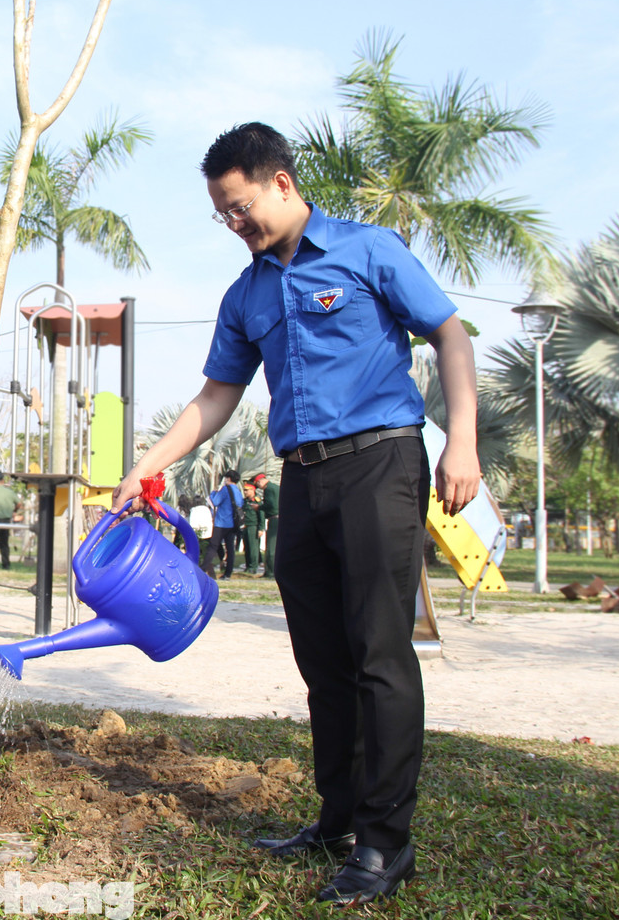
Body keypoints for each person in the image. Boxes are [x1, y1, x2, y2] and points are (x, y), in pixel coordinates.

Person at [111, 122, 479, 907]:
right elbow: (217, 396)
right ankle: (340, 821)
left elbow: (449, 331)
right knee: (323, 660)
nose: (234, 224)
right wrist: (148, 462)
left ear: (281, 182)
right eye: (222, 214)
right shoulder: (245, 295)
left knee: (380, 652)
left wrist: (463, 443)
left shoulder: (366, 250)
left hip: (383, 461)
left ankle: (387, 843)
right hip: (303, 482)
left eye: (240, 206)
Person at [207, 471, 242, 579]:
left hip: (222, 522)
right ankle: (228, 573)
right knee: (230, 548)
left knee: (213, 546)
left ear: (228, 478)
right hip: (233, 523)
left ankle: (204, 568)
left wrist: (213, 493)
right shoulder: (238, 491)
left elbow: (215, 502)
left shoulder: (225, 489)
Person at [253, 471, 280, 579]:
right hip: (281, 519)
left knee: (271, 548)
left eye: (257, 484)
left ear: (260, 481)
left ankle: (270, 572)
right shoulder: (276, 487)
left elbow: (271, 504)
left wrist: (259, 507)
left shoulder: (268, 489)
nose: (258, 487)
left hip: (274, 519)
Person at [241, 480, 263, 574]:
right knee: (247, 548)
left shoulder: (257, 501)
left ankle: (253, 567)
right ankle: (248, 565)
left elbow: (261, 515)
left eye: (247, 490)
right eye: (244, 490)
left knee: (253, 548)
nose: (245, 492)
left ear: (252, 490)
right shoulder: (244, 501)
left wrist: (261, 528)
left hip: (253, 526)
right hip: (245, 526)